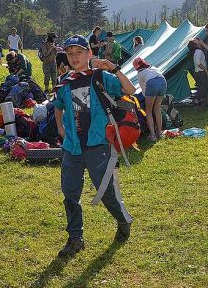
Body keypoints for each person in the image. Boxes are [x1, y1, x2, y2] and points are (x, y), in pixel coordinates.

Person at [52, 35, 135, 257]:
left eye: (79, 52)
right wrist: (60, 128)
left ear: (89, 54)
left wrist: (114, 67)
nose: (74, 57)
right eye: (70, 54)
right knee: (70, 193)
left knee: (106, 192)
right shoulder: (64, 83)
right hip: (72, 148)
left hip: (98, 145)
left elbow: (130, 90)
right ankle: (75, 237)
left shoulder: (101, 77)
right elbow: (58, 106)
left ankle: (122, 220)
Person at [133, 57, 167, 141]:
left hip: (151, 83)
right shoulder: (153, 68)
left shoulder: (140, 74)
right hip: (163, 81)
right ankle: (160, 132)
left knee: (148, 110)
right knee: (157, 108)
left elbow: (143, 90)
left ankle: (152, 135)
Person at [188, 40, 208, 106]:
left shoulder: (196, 52)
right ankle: (196, 102)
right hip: (201, 72)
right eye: (195, 41)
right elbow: (198, 63)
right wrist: (205, 70)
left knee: (201, 87)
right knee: (202, 88)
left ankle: (201, 102)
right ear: (195, 44)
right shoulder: (199, 51)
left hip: (198, 72)